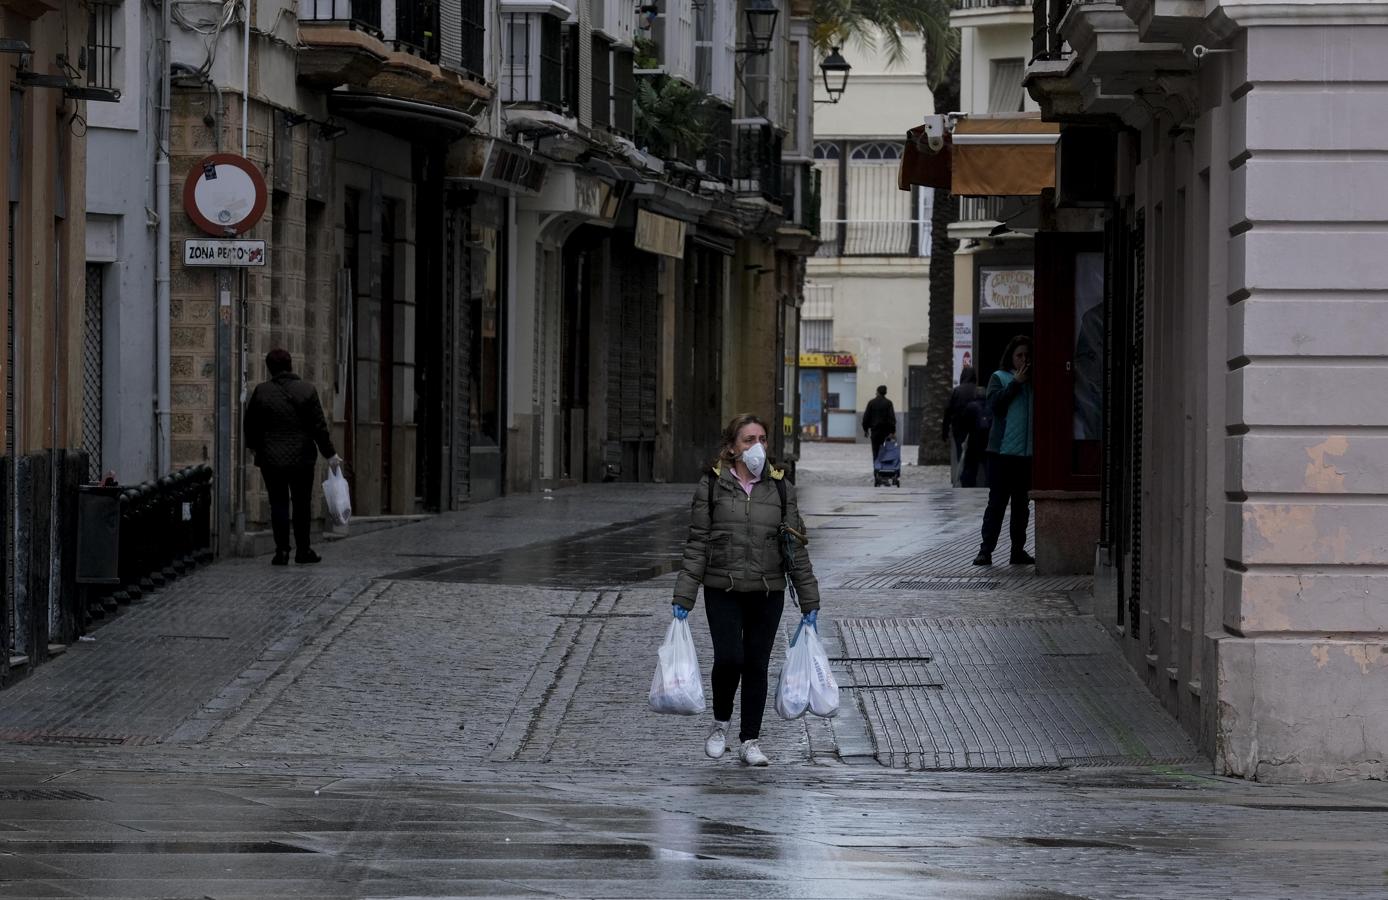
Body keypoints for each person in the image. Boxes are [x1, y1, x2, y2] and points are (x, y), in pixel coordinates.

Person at [672, 413, 822, 767]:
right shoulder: (711, 486)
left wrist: (809, 599)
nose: (757, 447)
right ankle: (720, 724)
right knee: (729, 659)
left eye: (762, 439)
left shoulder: (781, 487)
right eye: (748, 440)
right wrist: (684, 595)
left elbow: (796, 547)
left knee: (757, 664)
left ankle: (750, 740)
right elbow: (697, 543)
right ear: (731, 447)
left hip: (767, 590)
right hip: (722, 586)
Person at [244, 349, 342, 566]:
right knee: (301, 504)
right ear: (290, 365)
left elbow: (251, 424)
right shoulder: (307, 390)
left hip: (271, 458)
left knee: (277, 503)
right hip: (301, 458)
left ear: (270, 368)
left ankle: (281, 551)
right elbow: (319, 427)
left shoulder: (262, 392)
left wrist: (254, 447)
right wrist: (330, 454)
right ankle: (303, 550)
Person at [974, 335, 1035, 567]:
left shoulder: (1032, 383)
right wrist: (1015, 383)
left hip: (1025, 455)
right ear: (1011, 357)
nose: (1023, 359)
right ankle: (985, 551)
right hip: (1001, 454)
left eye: (1027, 355)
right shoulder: (999, 378)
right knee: (997, 504)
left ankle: (1017, 551)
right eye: (1019, 355)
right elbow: (995, 405)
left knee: (1022, 507)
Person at [861, 385, 897, 464]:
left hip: (875, 431)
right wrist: (893, 431)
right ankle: (884, 468)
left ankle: (876, 468)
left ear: (877, 392)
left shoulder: (871, 402)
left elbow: (866, 417)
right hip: (886, 432)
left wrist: (865, 429)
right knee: (885, 450)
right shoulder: (888, 403)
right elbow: (892, 418)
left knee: (875, 450)